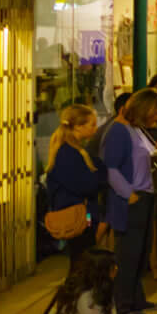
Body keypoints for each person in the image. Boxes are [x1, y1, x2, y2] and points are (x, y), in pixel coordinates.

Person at [101, 88, 157, 314]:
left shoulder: (136, 130)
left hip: (143, 196)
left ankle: (136, 299)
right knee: (127, 255)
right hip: (131, 200)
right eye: (156, 113)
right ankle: (123, 304)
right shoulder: (118, 132)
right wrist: (129, 195)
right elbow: (111, 168)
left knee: (140, 253)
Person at [44, 104, 106, 271]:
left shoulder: (76, 149)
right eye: (92, 124)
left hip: (81, 213)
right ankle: (76, 296)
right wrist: (98, 178)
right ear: (79, 126)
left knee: (82, 261)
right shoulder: (67, 153)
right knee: (81, 263)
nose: (96, 128)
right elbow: (86, 184)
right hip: (77, 215)